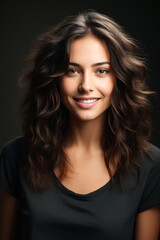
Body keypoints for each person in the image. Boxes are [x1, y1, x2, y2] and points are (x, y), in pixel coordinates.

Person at [0, 9, 160, 240]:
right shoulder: (15, 157)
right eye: (72, 70)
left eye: (101, 71)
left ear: (120, 79)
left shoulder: (150, 167)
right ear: (54, 78)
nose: (86, 85)